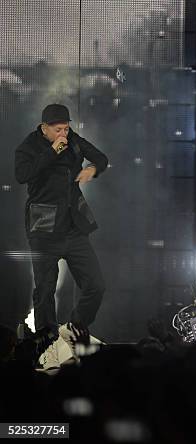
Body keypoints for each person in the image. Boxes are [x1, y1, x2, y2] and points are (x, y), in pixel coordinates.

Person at [14, 104, 108, 352]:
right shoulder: (29, 146)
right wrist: (51, 152)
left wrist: (92, 169)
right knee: (45, 289)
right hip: (43, 228)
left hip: (74, 225)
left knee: (95, 284)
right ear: (44, 128)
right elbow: (22, 175)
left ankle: (75, 327)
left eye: (66, 128)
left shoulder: (73, 140)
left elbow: (100, 157)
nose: (63, 135)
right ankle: (47, 342)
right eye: (58, 130)